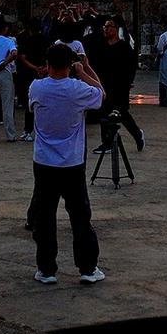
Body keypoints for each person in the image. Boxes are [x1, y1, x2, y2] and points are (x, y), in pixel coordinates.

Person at [28, 44, 107, 285]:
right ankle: (87, 267)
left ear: (48, 64)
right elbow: (101, 94)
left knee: (45, 216)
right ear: (69, 65)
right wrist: (83, 72)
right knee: (80, 217)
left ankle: (47, 268)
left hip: (44, 160)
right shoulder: (77, 89)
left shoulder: (37, 88)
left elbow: (32, 105)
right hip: (72, 161)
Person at [90, 17, 144, 152]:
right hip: (105, 85)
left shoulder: (124, 47)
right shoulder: (102, 46)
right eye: (105, 26)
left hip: (119, 86)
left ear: (116, 29)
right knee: (104, 112)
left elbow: (130, 67)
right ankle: (107, 142)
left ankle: (137, 134)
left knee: (121, 113)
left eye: (109, 26)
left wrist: (129, 82)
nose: (106, 29)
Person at [15, 18, 48, 141]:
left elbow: (22, 58)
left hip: (29, 74)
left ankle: (27, 130)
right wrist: (44, 68)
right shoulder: (45, 39)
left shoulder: (25, 40)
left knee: (30, 103)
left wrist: (35, 68)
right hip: (43, 73)